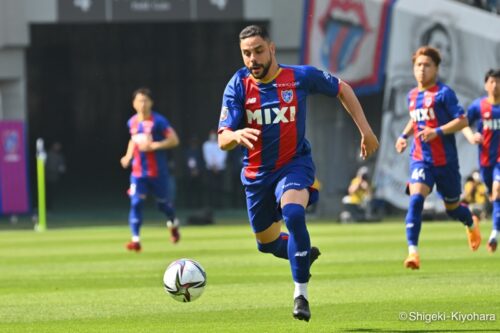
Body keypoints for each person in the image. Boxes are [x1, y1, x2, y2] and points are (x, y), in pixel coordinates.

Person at [217, 25, 379, 321]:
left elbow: (343, 88)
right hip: (256, 176)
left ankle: (300, 295)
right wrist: (235, 134)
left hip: (294, 165)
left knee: (293, 213)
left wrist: (366, 131)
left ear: (272, 48)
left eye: (258, 51)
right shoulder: (238, 85)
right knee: (266, 244)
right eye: (246, 53)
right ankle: (301, 253)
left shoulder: (299, 77)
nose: (252, 58)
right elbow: (222, 138)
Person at [395, 46, 481, 270]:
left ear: (436, 68)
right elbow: (416, 120)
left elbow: (462, 121)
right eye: (418, 65)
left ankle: (471, 222)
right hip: (420, 159)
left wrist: (438, 132)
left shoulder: (444, 93)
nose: (422, 70)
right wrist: (404, 136)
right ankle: (413, 252)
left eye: (427, 65)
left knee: (452, 208)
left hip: (446, 163)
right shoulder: (412, 95)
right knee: (415, 200)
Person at [120, 88, 180, 252]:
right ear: (133, 104)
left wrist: (154, 145)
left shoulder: (159, 121)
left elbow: (174, 140)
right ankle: (135, 240)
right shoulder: (132, 122)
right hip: (138, 174)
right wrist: (127, 156)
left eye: (145, 100)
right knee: (136, 202)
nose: (142, 104)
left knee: (163, 206)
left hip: (158, 173)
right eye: (139, 101)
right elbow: (133, 140)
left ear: (151, 103)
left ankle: (173, 222)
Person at [462, 68, 500, 253]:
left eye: (498, 81)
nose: (495, 85)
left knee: (497, 189)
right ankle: (493, 230)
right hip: (485, 161)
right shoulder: (479, 106)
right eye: (492, 81)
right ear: (486, 85)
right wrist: (470, 135)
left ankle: (494, 234)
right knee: (494, 196)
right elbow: (462, 123)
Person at [202, 129, 228, 209]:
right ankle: (211, 205)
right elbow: (206, 156)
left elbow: (223, 155)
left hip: (220, 169)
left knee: (220, 187)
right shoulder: (206, 145)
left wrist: (217, 166)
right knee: (210, 187)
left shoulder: (222, 143)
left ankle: (219, 205)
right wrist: (213, 166)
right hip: (210, 169)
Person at [45, 141, 66, 211]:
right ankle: (43, 206)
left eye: (59, 146)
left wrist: (62, 169)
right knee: (46, 191)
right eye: (56, 146)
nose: (57, 147)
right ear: (53, 146)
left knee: (52, 192)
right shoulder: (48, 154)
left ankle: (49, 207)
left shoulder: (60, 156)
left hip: (55, 177)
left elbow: (62, 166)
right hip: (46, 176)